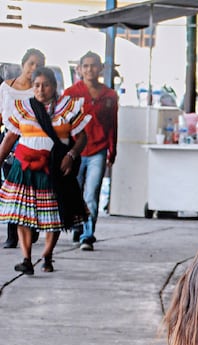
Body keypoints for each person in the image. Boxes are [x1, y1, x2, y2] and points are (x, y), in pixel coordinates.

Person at [0, 67, 89, 275]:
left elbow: (82, 137)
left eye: (46, 85)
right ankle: (26, 258)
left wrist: (71, 155)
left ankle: (47, 255)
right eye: (37, 85)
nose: (41, 90)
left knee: (54, 217)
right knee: (21, 215)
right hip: (24, 169)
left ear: (54, 86)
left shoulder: (67, 108)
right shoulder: (22, 108)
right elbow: (9, 138)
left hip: (54, 169)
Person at [63, 51, 118, 251]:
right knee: (74, 193)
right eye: (85, 66)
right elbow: (63, 124)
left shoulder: (110, 95)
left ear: (101, 68)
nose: (89, 70)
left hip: (99, 150)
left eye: (93, 65)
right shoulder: (70, 93)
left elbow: (113, 124)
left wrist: (113, 149)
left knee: (92, 193)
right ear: (79, 69)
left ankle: (88, 234)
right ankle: (77, 226)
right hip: (75, 151)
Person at [1, 48, 44, 249]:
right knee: (11, 186)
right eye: (31, 63)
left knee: (30, 186)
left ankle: (31, 227)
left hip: (30, 140)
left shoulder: (38, 91)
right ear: (23, 63)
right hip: (8, 138)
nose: (34, 68)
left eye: (38, 65)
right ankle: (12, 234)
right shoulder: (6, 87)